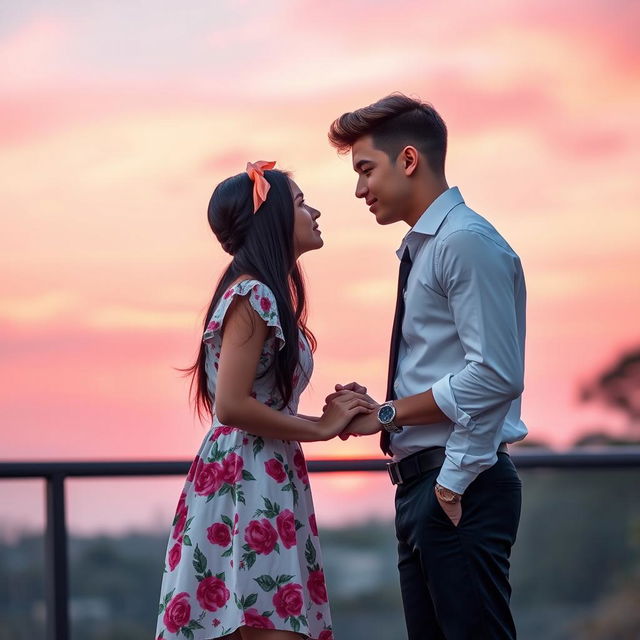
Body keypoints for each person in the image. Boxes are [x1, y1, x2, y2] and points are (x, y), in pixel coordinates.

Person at [326, 94, 527, 639]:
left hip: (457, 482)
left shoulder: (464, 243)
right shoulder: (427, 249)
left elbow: (496, 376)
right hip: (424, 485)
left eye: (366, 169)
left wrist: (447, 480)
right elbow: (448, 367)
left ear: (408, 160)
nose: (359, 189)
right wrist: (384, 410)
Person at [155, 161, 374, 640]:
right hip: (249, 477)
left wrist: (340, 412)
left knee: (261, 624)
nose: (314, 211)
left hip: (261, 472)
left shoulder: (262, 292)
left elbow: (253, 401)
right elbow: (232, 405)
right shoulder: (254, 293)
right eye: (299, 203)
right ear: (271, 219)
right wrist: (319, 426)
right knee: (266, 625)